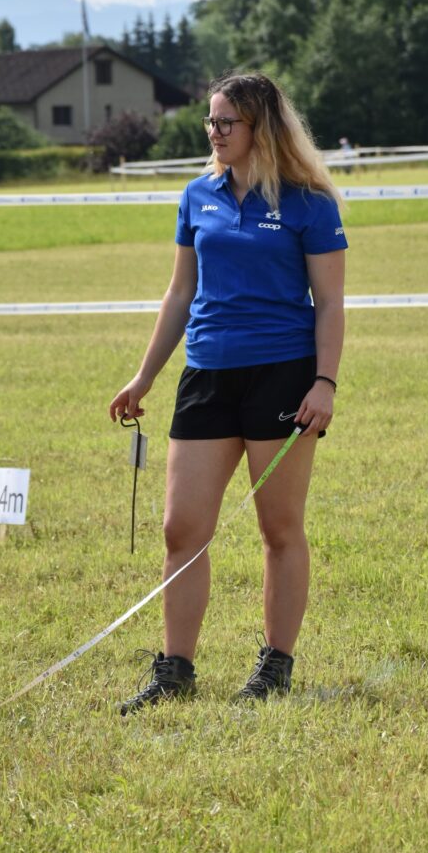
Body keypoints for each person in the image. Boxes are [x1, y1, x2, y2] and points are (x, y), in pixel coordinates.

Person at [109, 72, 347, 715]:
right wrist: (145, 375)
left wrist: (324, 382)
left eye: (225, 123)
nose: (213, 134)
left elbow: (329, 304)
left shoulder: (310, 204)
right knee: (181, 528)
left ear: (259, 128)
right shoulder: (196, 195)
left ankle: (275, 666)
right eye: (210, 122)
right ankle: (174, 670)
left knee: (278, 528)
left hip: (284, 376)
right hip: (206, 375)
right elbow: (180, 293)